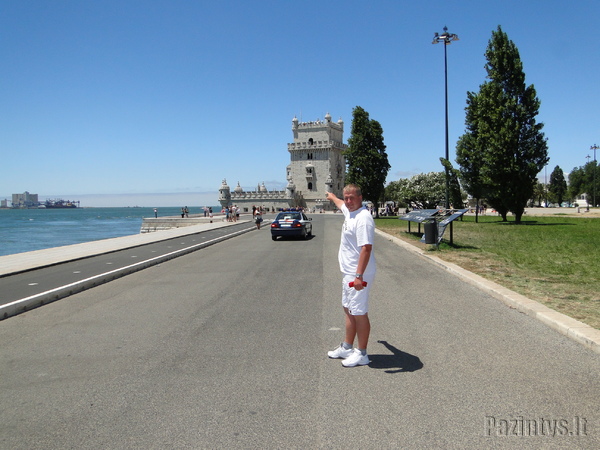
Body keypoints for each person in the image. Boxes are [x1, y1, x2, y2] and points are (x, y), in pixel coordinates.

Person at [326, 185, 376, 367]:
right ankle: (347, 347)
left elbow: (366, 248)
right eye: (346, 197)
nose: (348, 201)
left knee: (359, 312)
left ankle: (362, 353)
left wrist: (358, 276)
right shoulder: (350, 211)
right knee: (348, 309)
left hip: (358, 274)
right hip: (348, 272)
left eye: (351, 198)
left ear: (360, 197)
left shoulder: (363, 218)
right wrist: (332, 196)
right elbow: (341, 204)